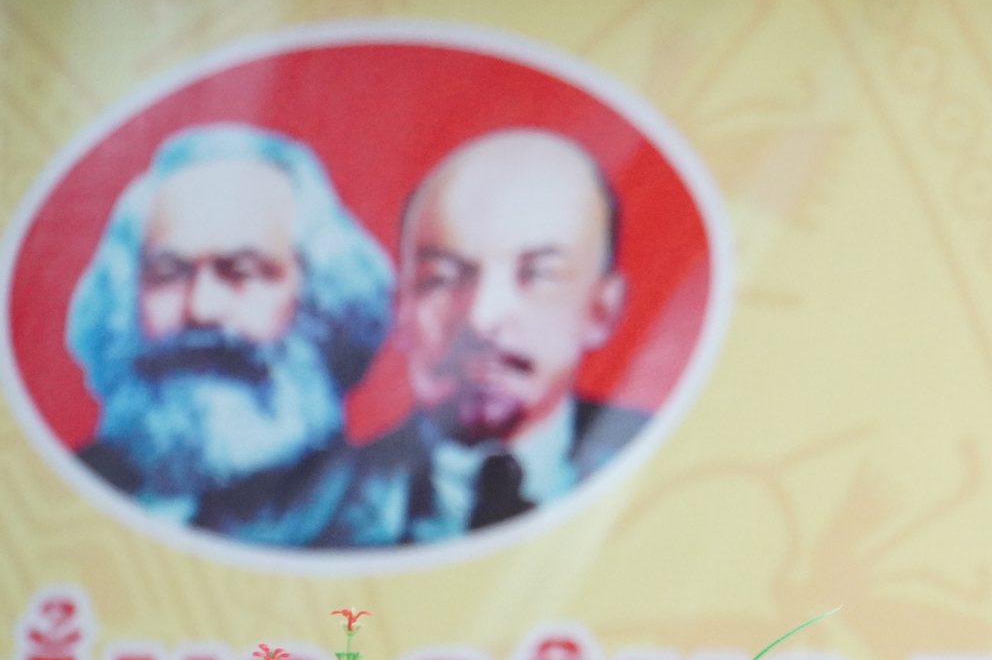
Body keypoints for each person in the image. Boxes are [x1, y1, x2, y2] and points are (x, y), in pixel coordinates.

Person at [64, 124, 393, 545]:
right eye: (168, 274)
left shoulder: (384, 514)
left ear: (321, 299)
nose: (201, 308)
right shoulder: (69, 486)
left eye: (243, 271)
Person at [320, 128, 644, 546]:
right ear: (402, 308)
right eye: (442, 279)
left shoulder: (674, 462)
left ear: (602, 309)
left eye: (538, 275)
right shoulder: (315, 513)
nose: (482, 318)